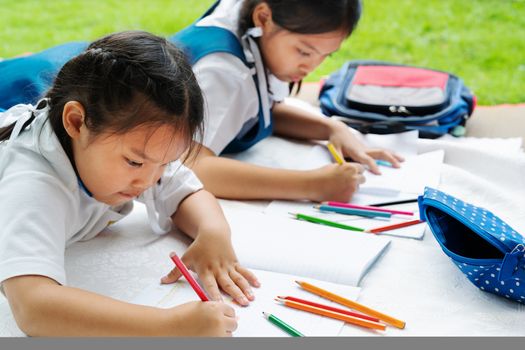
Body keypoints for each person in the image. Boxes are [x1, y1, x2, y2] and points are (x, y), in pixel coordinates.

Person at [0, 31, 259, 337]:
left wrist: (213, 232)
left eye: (163, 163)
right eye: (135, 162)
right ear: (75, 123)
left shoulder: (136, 149)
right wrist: (171, 326)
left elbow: (188, 193)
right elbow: (34, 307)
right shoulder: (32, 183)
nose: (150, 180)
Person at [170, 0, 404, 202]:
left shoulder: (253, 24)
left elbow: (255, 110)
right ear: (263, 17)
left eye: (326, 55)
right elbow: (192, 166)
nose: (311, 67)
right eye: (304, 52)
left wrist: (331, 127)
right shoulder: (226, 72)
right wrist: (311, 185)